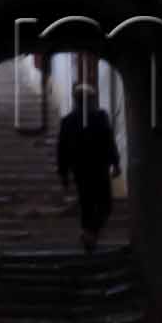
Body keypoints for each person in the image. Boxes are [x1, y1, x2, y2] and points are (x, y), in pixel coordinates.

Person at [55, 81, 119, 247]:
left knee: (89, 203)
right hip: (96, 168)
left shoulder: (69, 121)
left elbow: (62, 150)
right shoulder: (99, 117)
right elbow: (109, 141)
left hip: (84, 169)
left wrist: (64, 174)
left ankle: (88, 233)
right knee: (102, 204)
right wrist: (115, 162)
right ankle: (90, 234)